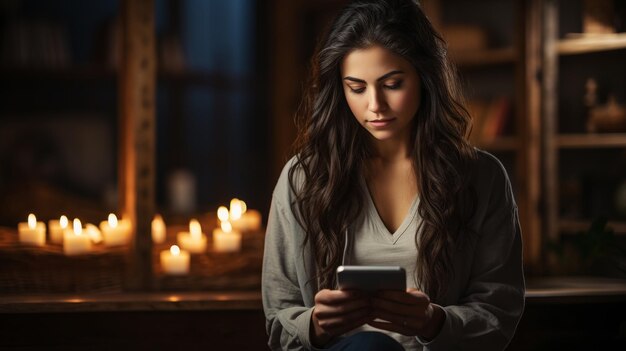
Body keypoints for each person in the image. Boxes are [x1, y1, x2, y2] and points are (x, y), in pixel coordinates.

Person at [262, 0, 525, 350]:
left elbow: (498, 312)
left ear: (424, 77)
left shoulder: (481, 177)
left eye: (392, 83)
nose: (375, 105)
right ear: (339, 90)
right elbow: (279, 320)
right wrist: (316, 325)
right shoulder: (303, 179)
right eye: (356, 88)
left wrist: (434, 322)